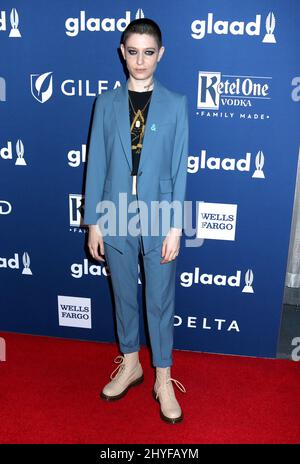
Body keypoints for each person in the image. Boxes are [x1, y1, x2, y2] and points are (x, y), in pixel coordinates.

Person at [83, 18, 189, 424]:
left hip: (160, 211)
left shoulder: (177, 103)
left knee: (159, 298)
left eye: (149, 52)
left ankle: (163, 377)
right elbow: (96, 166)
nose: (140, 60)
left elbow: (180, 170)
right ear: (121, 53)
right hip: (115, 209)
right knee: (124, 292)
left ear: (160, 54)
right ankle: (131, 364)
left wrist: (175, 226)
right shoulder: (105, 104)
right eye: (133, 51)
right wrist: (94, 220)